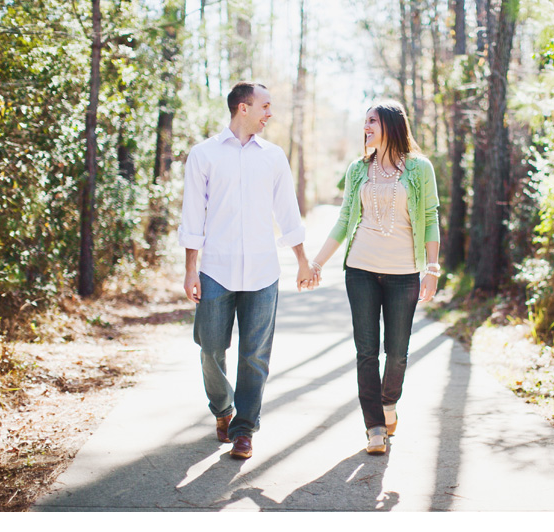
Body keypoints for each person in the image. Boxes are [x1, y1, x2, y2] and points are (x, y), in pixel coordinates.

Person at [178, 82, 315, 460]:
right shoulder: (203, 155)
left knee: (255, 355)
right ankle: (223, 409)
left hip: (262, 272)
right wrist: (191, 270)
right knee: (210, 349)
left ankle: (244, 430)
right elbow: (193, 216)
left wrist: (303, 260)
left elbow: (288, 211)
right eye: (265, 106)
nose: (270, 113)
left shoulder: (273, 157)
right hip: (215, 270)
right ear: (243, 108)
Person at [310, 100, 440, 455]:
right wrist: (317, 262)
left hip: (404, 273)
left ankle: (388, 402)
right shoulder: (358, 169)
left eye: (372, 121)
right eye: (364, 121)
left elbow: (430, 218)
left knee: (396, 353)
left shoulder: (419, 168)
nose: (365, 127)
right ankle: (375, 428)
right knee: (366, 352)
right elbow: (343, 220)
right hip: (361, 269)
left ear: (391, 125)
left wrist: (432, 268)